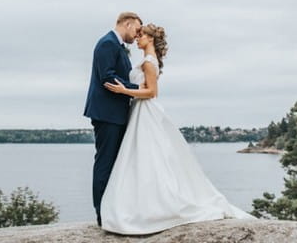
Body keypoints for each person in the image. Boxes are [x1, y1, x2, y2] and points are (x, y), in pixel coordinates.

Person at [101, 23, 256, 235]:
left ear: (150, 39)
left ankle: (154, 207)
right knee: (145, 158)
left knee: (148, 158)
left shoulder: (148, 62)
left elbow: (152, 92)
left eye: (141, 35)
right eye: (137, 35)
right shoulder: (148, 60)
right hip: (140, 111)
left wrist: (123, 90)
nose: (137, 38)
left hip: (145, 110)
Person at [83, 11, 143, 227]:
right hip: (106, 114)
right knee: (105, 162)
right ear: (127, 24)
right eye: (136, 29)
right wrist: (138, 89)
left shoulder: (116, 46)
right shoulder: (107, 43)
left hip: (115, 113)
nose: (137, 35)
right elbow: (107, 77)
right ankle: (102, 214)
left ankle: (113, 210)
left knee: (115, 163)